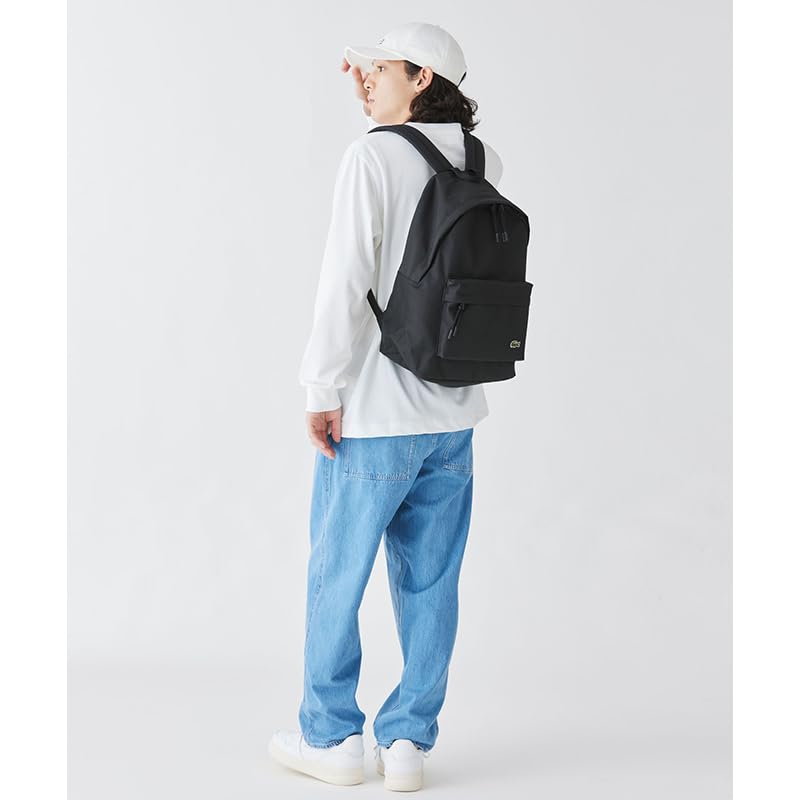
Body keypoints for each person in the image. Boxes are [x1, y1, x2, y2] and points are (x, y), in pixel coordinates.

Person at [268, 22, 504, 791]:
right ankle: (408, 745)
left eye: (380, 68)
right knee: (431, 584)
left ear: (422, 76)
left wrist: (321, 386)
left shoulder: (369, 158)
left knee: (337, 576)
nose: (365, 78)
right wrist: (378, 100)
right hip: (454, 415)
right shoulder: (483, 161)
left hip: (373, 413)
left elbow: (346, 278)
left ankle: (332, 737)